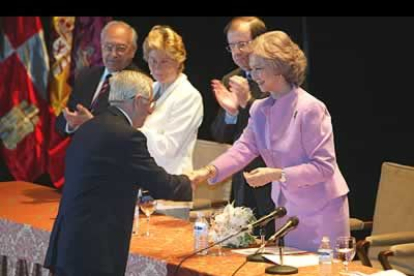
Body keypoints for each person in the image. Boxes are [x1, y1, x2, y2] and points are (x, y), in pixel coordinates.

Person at [192, 31, 350, 252]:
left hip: (322, 210)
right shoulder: (259, 108)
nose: (253, 75)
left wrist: (276, 174)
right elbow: (243, 148)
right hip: (287, 208)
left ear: (279, 67)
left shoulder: (310, 108)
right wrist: (207, 171)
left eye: (258, 69)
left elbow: (323, 166)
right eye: (252, 69)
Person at [44, 70, 194, 276]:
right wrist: (190, 181)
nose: (151, 110)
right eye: (150, 102)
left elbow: (110, 177)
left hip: (69, 241)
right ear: (138, 100)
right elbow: (159, 182)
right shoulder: (126, 136)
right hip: (94, 249)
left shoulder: (90, 126)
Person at [210, 17, 275, 237]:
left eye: (242, 44)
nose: (236, 52)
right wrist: (231, 112)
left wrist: (246, 103)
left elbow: (274, 129)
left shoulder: (277, 77)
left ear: (260, 41)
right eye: (231, 46)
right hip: (242, 180)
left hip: (273, 178)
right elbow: (219, 134)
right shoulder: (231, 79)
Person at [56, 20, 139, 136]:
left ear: (133, 51)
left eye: (120, 48)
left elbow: (129, 132)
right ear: (101, 46)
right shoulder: (86, 76)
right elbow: (61, 122)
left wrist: (92, 123)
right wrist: (71, 123)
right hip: (79, 150)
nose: (113, 54)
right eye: (108, 47)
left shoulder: (139, 84)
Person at [140, 25, 203, 174]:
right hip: (146, 176)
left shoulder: (189, 96)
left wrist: (131, 130)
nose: (157, 68)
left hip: (171, 180)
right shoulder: (150, 88)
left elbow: (167, 149)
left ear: (178, 60)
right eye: (152, 60)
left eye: (164, 61)